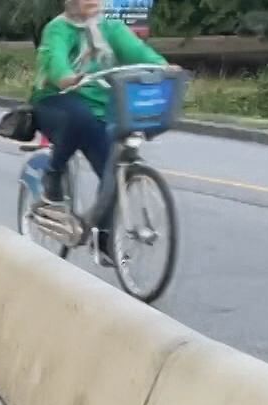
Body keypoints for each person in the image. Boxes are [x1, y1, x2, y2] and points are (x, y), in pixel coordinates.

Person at [31, 0, 167, 255]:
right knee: (79, 116)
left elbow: (138, 51)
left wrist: (162, 67)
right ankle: (53, 172)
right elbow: (56, 59)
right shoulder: (58, 28)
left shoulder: (111, 27)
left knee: (112, 170)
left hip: (98, 109)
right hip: (56, 101)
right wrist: (67, 77)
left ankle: (103, 238)